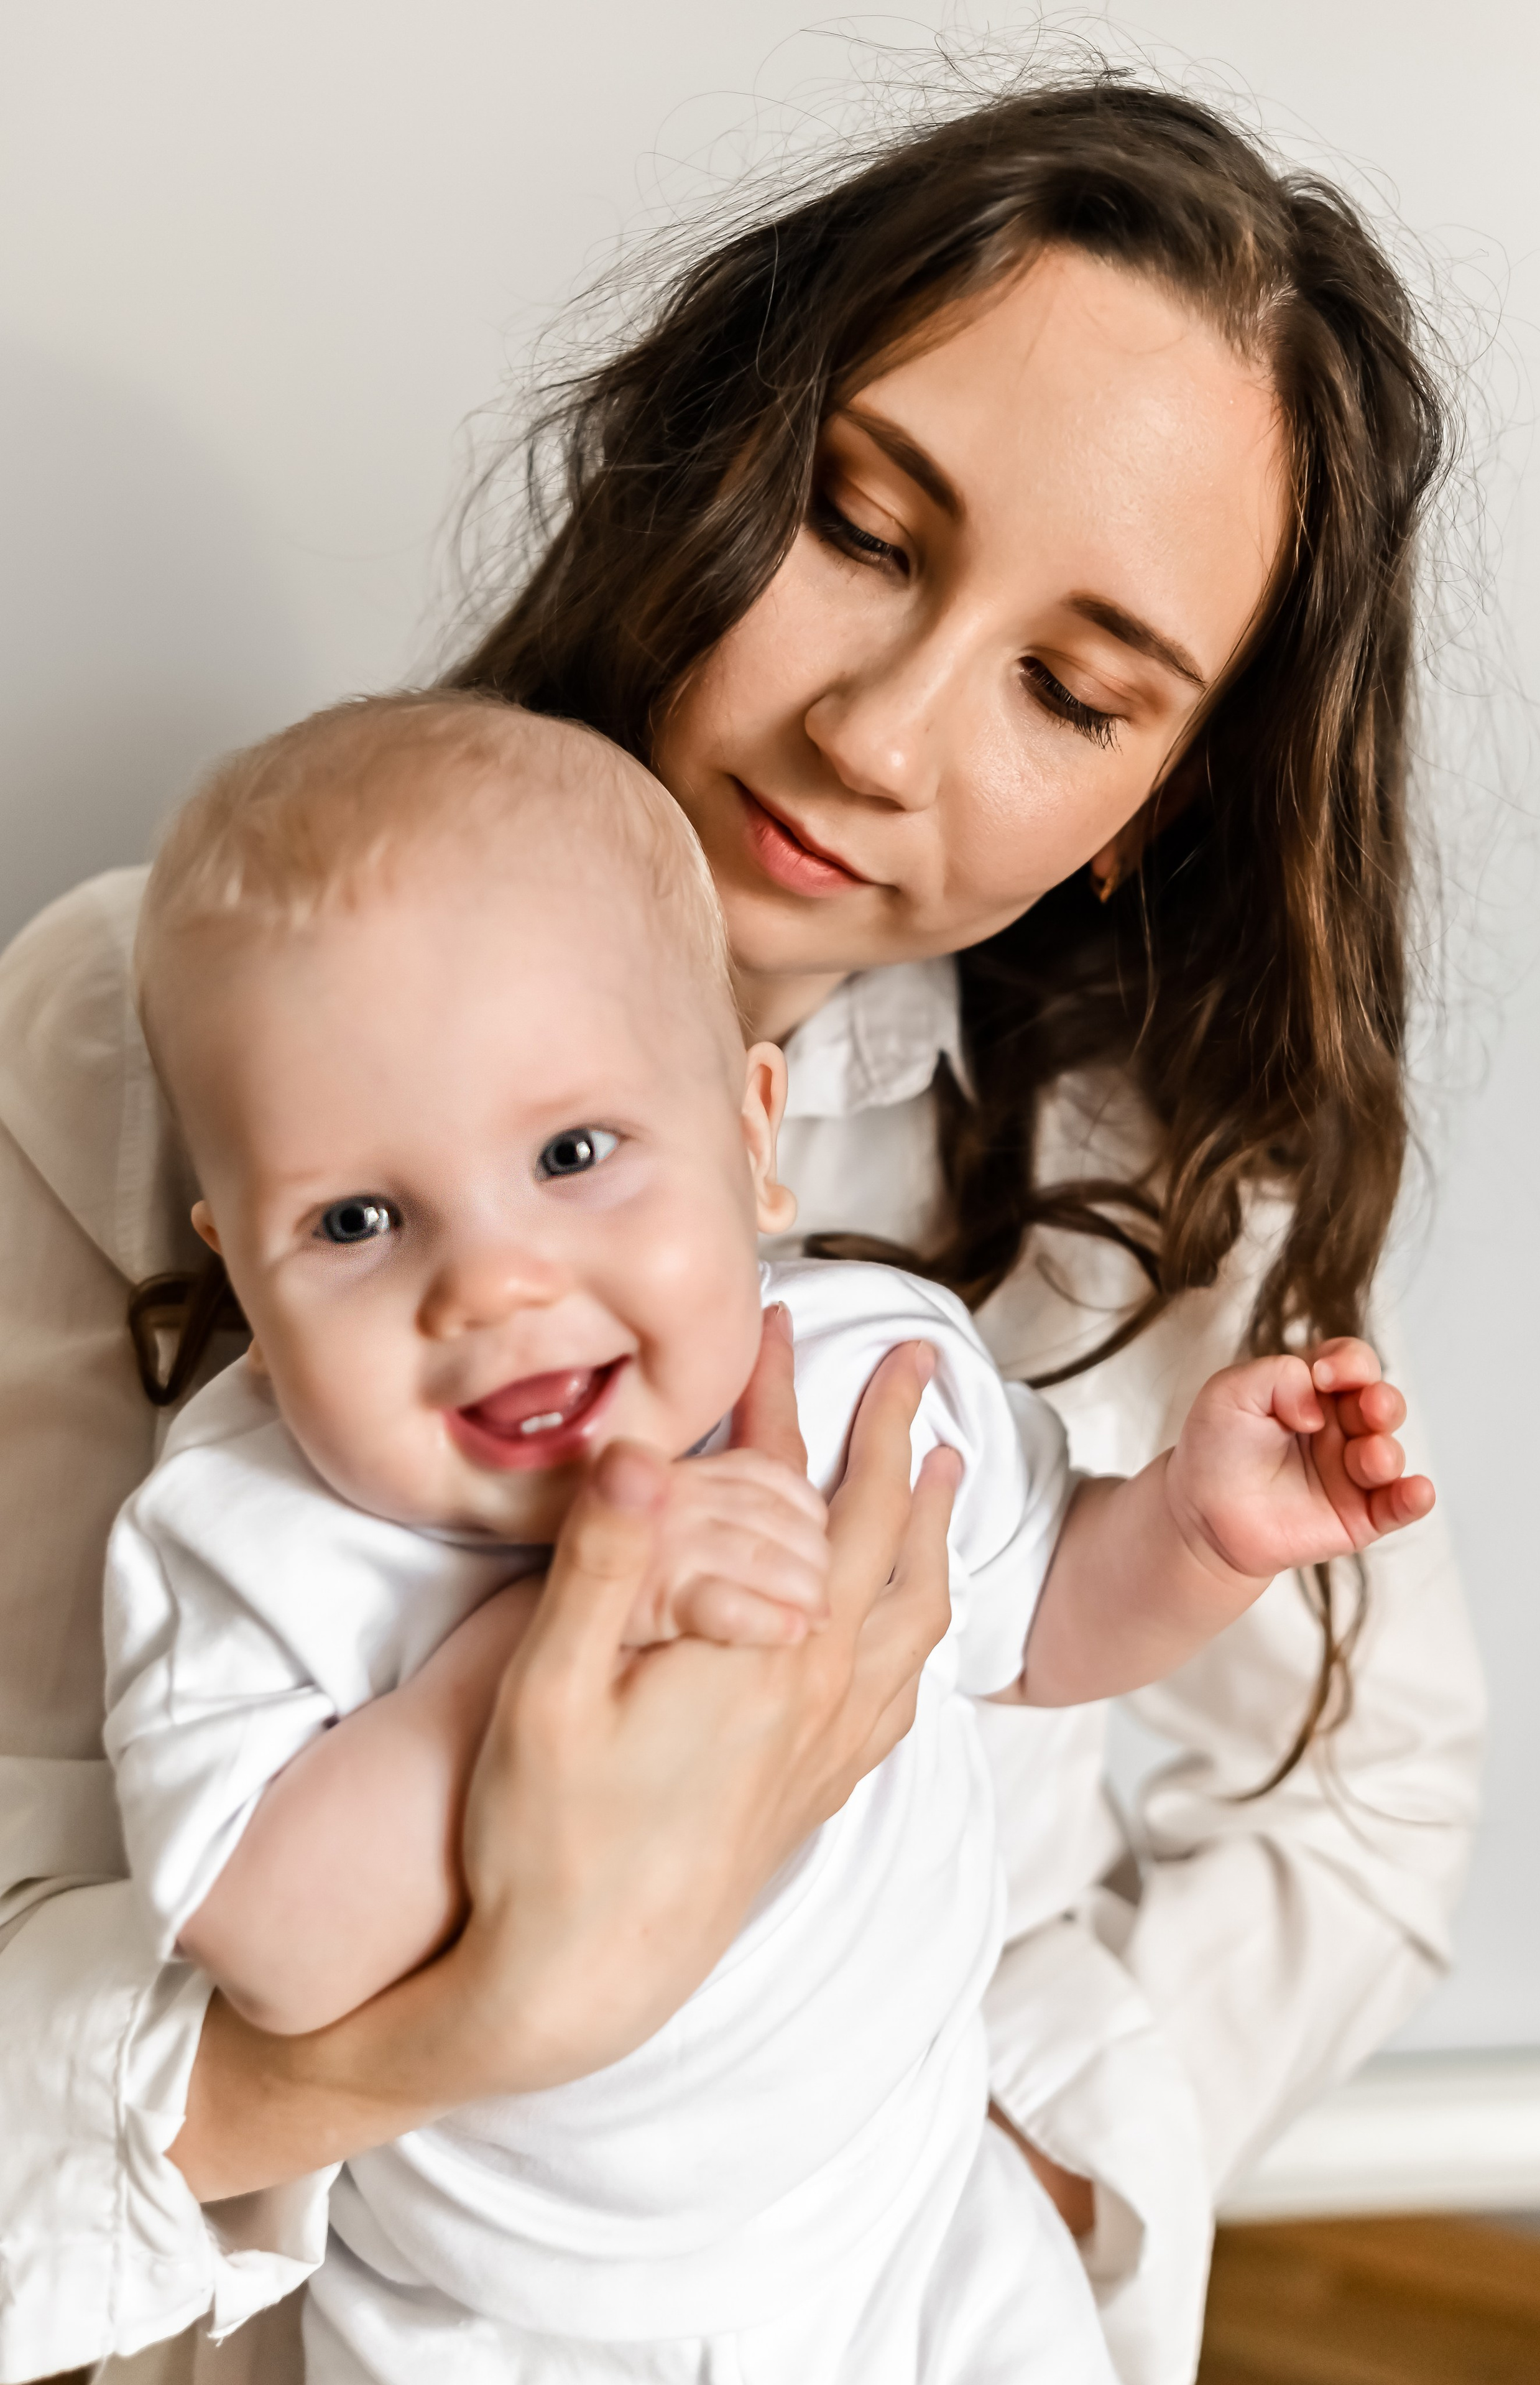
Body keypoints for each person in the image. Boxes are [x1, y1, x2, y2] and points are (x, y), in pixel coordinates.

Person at [0, 70, 1485, 2385]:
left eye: (1073, 689)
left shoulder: (1122, 1189)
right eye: (862, 527)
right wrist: (479, 2010)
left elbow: (1334, 1763)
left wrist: (1044, 2155)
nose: (883, 733)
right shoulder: (143, 1027)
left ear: (1149, 796)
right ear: (706, 451)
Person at [104, 691, 1430, 2385]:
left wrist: (1192, 1527)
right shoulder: (248, 1536)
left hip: (917, 2217)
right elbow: (269, 1944)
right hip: (500, 2327)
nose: (493, 1285)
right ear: (239, 1264)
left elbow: (1037, 1623)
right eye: (357, 1219)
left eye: (573, 1152)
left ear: (749, 1135)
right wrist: (574, 1624)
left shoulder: (873, 1372)